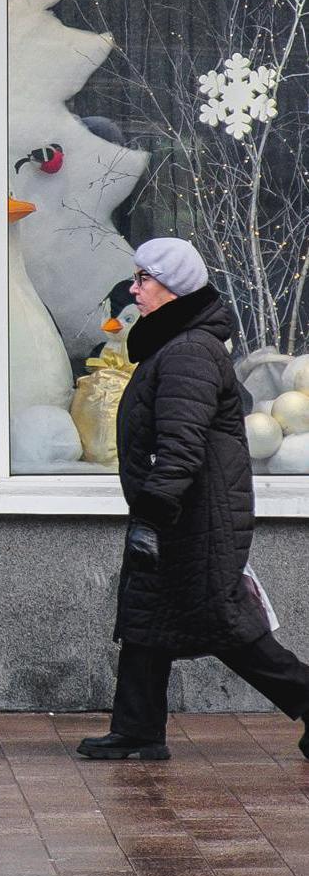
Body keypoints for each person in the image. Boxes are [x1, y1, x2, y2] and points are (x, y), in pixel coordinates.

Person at [80, 237, 309, 761]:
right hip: (180, 510)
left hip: (192, 515)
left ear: (174, 287)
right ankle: (137, 728)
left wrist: (153, 514)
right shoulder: (175, 343)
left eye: (144, 279)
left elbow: (181, 446)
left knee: (225, 623)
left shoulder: (187, 352)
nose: (134, 289)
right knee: (148, 615)